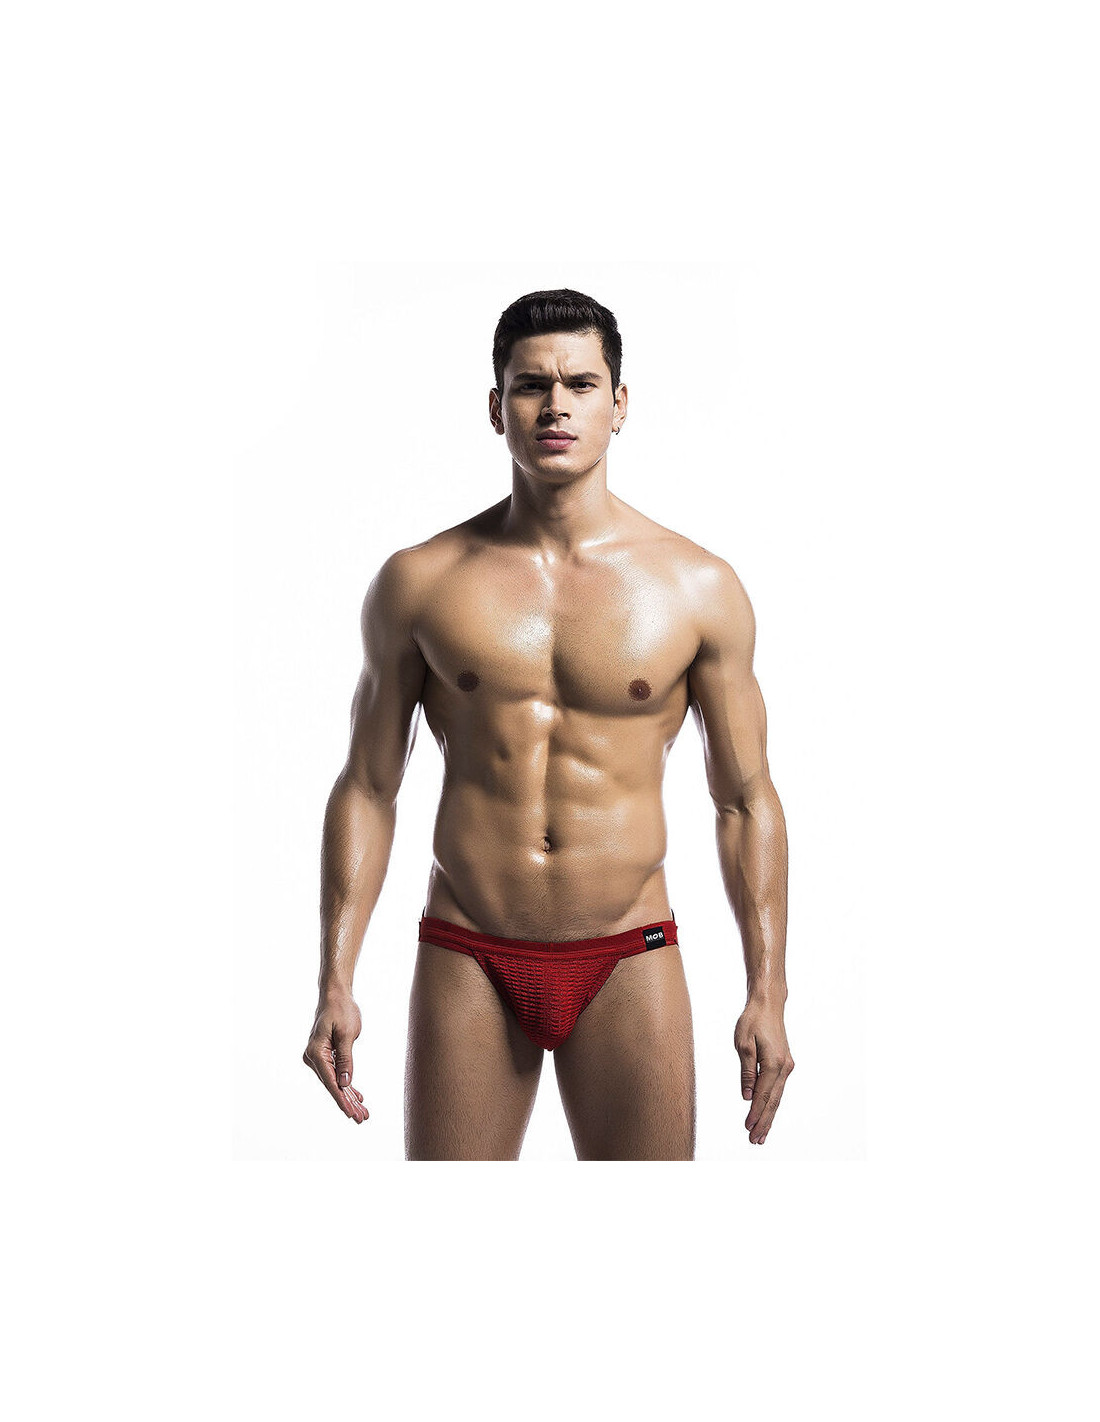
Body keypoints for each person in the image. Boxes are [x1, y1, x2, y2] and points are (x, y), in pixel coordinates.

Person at [303, 288, 793, 1160]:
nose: (555, 406)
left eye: (580, 384)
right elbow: (368, 787)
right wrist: (334, 978)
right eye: (531, 385)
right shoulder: (421, 582)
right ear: (498, 408)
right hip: (468, 951)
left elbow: (746, 799)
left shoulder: (696, 587)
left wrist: (769, 992)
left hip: (629, 951)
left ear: (619, 403)